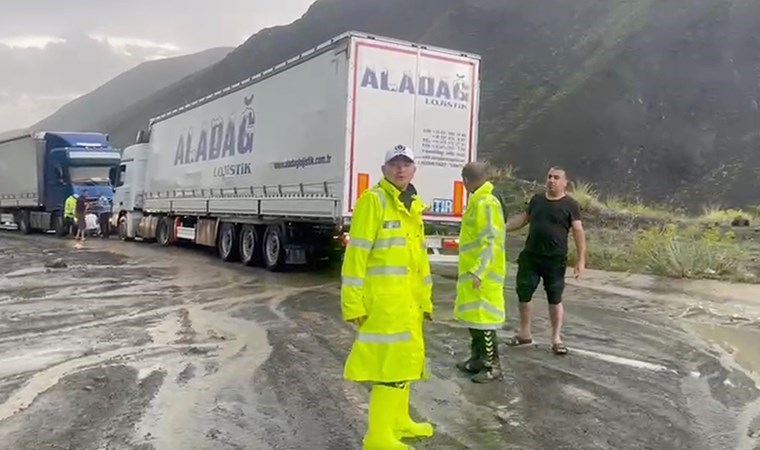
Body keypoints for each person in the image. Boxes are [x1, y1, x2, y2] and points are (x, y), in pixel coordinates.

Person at [341, 144, 434, 449]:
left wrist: (425, 299)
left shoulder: (412, 204)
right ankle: (378, 437)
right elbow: (356, 256)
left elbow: (418, 260)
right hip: (384, 304)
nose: (400, 169)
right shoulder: (374, 201)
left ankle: (399, 422)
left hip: (408, 302)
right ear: (384, 170)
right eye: (394, 164)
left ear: (413, 169)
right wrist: (353, 301)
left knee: (405, 364)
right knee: (388, 369)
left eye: (406, 163)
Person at [505, 166, 586, 355]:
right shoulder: (537, 200)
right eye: (549, 177)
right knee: (524, 293)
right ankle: (524, 333)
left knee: (555, 299)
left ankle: (556, 338)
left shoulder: (570, 205)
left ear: (565, 183)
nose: (551, 180)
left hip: (555, 260)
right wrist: (501, 228)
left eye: (556, 178)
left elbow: (578, 232)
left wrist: (581, 260)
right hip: (531, 256)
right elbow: (523, 220)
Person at [454, 161, 507, 383]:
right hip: (474, 273)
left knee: (485, 321)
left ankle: (492, 365)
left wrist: (480, 271)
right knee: (474, 319)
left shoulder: (486, 203)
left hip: (483, 276)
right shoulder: (479, 201)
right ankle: (477, 359)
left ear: (466, 181)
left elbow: (492, 240)